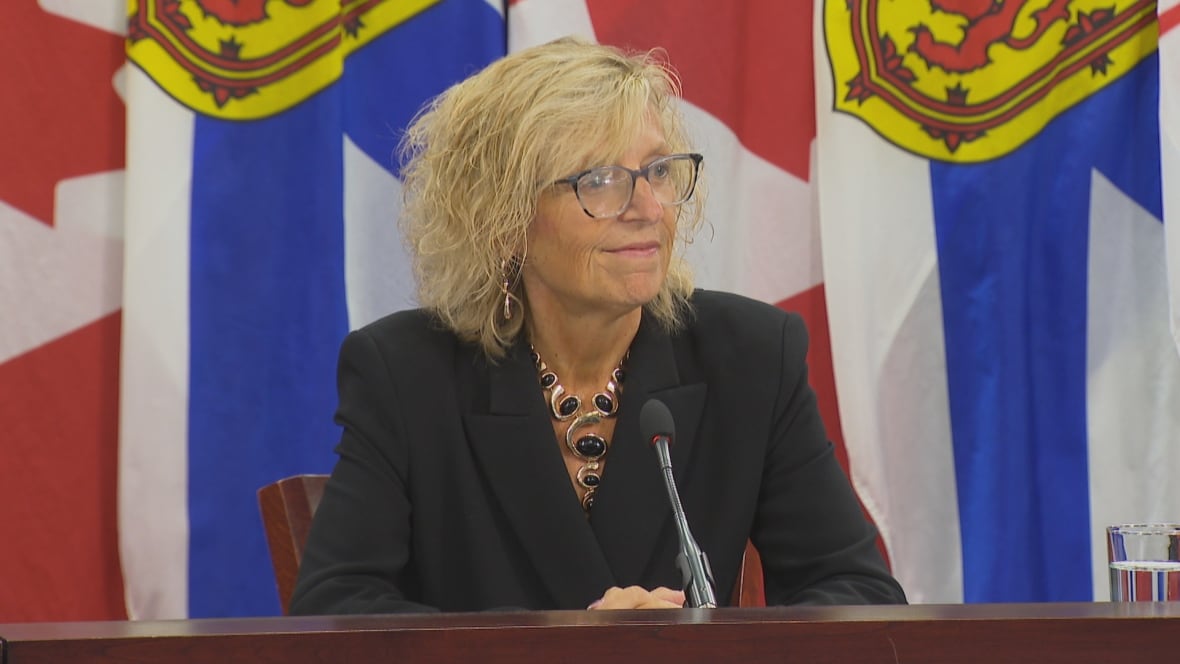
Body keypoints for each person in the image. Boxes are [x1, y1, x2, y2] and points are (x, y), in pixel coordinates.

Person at [288, 37, 906, 614]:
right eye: (600, 180)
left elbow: (857, 592)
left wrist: (705, 646)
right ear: (503, 219)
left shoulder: (748, 356)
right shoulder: (405, 372)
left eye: (659, 171)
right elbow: (337, 609)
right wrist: (559, 649)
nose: (647, 208)